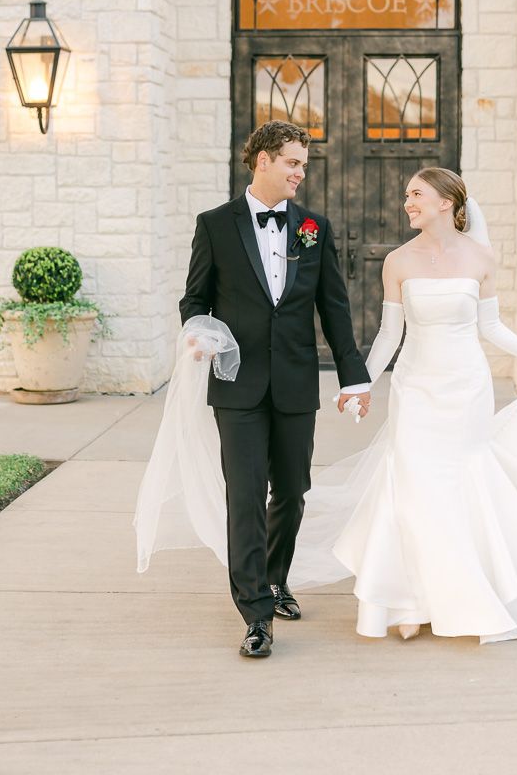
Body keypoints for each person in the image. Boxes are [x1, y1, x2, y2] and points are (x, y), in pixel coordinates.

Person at [330, 167, 517, 641]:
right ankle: (411, 600)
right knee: (412, 485)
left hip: (466, 387)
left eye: (416, 194)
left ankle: (464, 593)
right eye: (407, 195)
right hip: (417, 388)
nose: (406, 202)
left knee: (460, 483)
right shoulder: (398, 261)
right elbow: (389, 334)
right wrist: (359, 384)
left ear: (446, 202)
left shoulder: (481, 257)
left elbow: (491, 327)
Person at [175, 120, 370, 658]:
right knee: (244, 495)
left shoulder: (314, 227)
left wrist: (354, 375)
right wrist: (203, 334)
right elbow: (194, 300)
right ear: (262, 160)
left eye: (303, 165)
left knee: (290, 489)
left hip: (294, 381)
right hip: (236, 385)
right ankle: (256, 613)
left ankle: (276, 576)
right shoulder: (214, 225)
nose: (300, 173)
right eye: (293, 163)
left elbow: (334, 308)